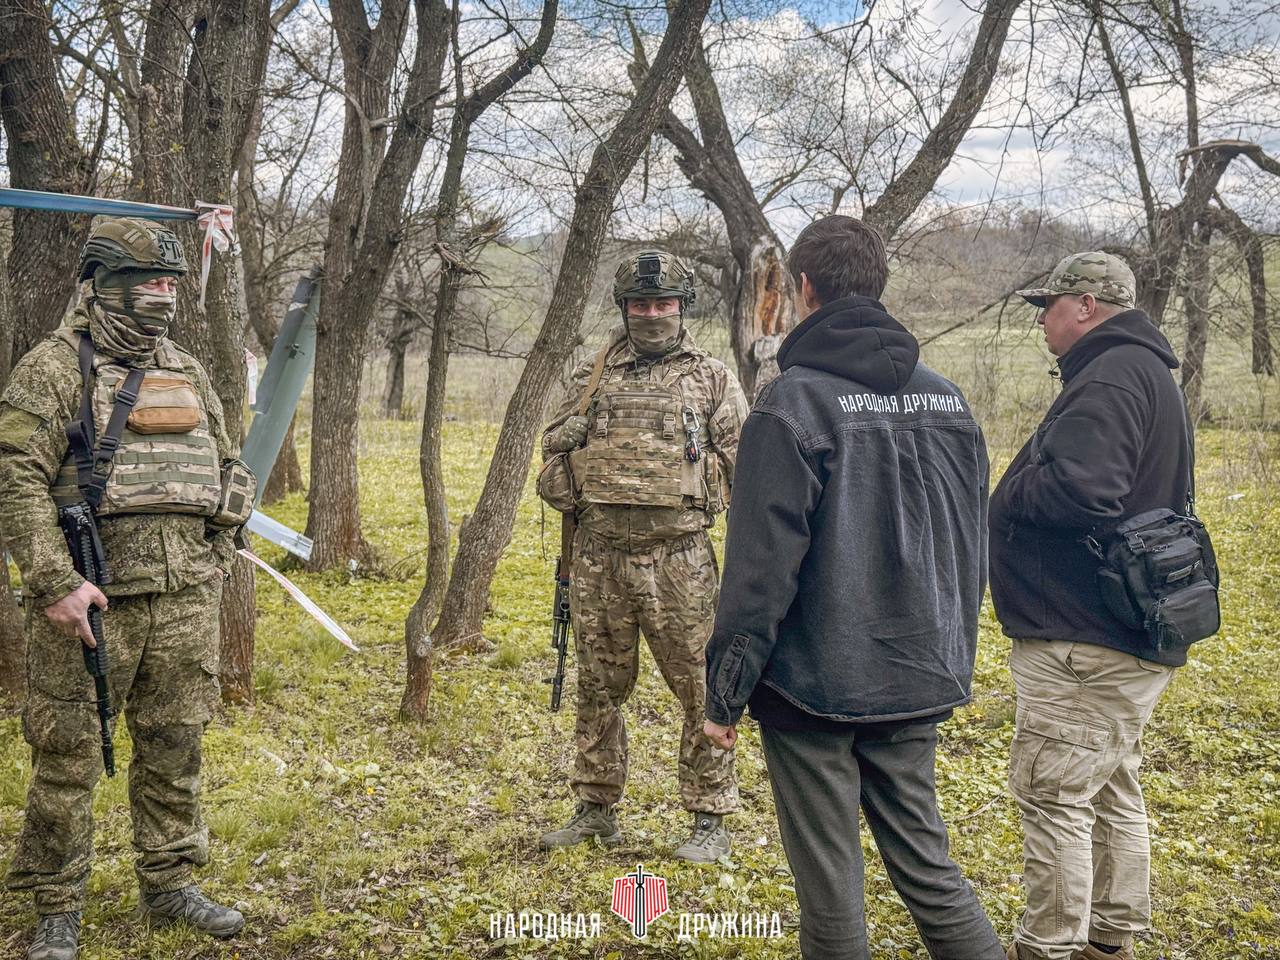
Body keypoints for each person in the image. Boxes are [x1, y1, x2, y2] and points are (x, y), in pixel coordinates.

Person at [702, 214, 1004, 960]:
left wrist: (725, 695)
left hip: (813, 686)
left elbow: (758, 574)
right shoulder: (950, 401)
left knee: (831, 891)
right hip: (920, 671)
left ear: (802, 288)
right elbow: (971, 545)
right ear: (878, 285)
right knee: (931, 871)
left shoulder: (791, 404)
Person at [1, 218, 253, 960]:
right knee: (68, 755)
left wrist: (218, 546)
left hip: (185, 597)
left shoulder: (186, 368)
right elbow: (14, 480)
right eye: (150, 282)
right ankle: (56, 906)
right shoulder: (51, 369)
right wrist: (55, 583)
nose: (165, 295)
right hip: (90, 600)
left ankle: (170, 883)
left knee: (176, 743)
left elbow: (226, 463)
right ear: (105, 284)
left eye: (171, 282)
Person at [991, 253, 1188, 960]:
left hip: (1085, 635)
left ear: (1085, 306)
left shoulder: (1109, 376)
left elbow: (1083, 491)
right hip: (1124, 629)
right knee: (1110, 784)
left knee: (1054, 793)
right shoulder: (1145, 371)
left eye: (1048, 306)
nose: (1042, 320)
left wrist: (1006, 491)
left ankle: (1047, 947)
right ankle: (1109, 938)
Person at [535, 250, 747, 862]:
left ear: (683, 306)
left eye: (663, 303)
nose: (652, 315)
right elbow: (552, 452)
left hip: (680, 560)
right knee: (598, 686)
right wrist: (571, 446)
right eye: (640, 305)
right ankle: (595, 808)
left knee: (701, 687)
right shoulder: (593, 374)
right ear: (624, 309)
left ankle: (709, 818)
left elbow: (745, 463)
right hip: (600, 555)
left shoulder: (711, 377)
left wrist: (688, 475)